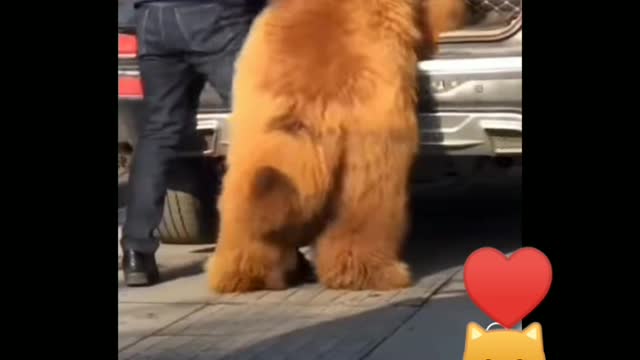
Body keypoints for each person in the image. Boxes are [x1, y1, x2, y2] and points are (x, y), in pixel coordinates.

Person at [121, 0, 266, 287]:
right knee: (261, 124)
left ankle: (136, 252)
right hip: (216, 17)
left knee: (158, 133)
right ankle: (273, 242)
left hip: (152, 19)